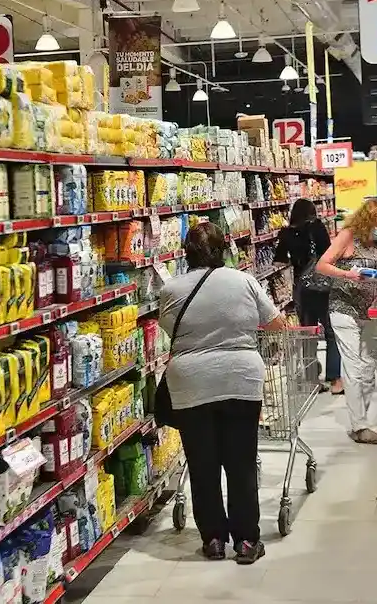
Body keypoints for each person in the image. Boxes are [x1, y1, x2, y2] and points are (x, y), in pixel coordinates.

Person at [159, 222, 286, 565]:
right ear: (224, 250)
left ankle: (213, 539)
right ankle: (246, 542)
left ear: (186, 253)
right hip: (240, 379)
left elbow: (170, 329)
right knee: (241, 464)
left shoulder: (171, 288)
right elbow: (276, 323)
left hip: (190, 381)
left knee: (202, 465)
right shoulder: (243, 280)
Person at [316, 198, 377, 443]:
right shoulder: (347, 236)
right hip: (344, 308)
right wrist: (348, 273)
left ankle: (363, 420)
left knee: (370, 365)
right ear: (368, 220)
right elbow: (322, 265)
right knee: (354, 367)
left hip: (371, 309)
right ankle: (360, 426)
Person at [274, 198, 343, 394]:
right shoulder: (318, 228)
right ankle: (335, 380)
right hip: (323, 288)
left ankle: (312, 379)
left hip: (302, 290)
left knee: (308, 334)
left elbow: (278, 261)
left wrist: (297, 262)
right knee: (331, 333)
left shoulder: (286, 233)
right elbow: (329, 254)